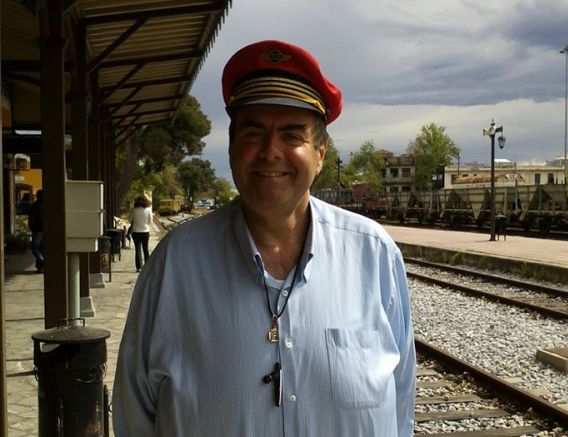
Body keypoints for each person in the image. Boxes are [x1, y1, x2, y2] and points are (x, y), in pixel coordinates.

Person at [113, 40, 416, 436]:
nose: (270, 152)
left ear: (321, 152)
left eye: (292, 135)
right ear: (232, 147)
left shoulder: (373, 254)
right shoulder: (176, 262)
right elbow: (135, 410)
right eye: (253, 133)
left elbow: (401, 399)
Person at [129, 195, 153, 272]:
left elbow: (130, 220)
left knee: (137, 249)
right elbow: (150, 221)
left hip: (135, 232)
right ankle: (147, 266)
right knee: (146, 249)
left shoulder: (134, 210)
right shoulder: (148, 210)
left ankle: (139, 267)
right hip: (145, 232)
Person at [28, 189, 44, 273]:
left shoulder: (35, 205)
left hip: (38, 230)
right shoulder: (48, 204)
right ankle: (41, 268)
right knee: (41, 248)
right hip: (45, 229)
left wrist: (31, 226)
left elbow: (32, 218)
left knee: (34, 248)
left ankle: (42, 260)